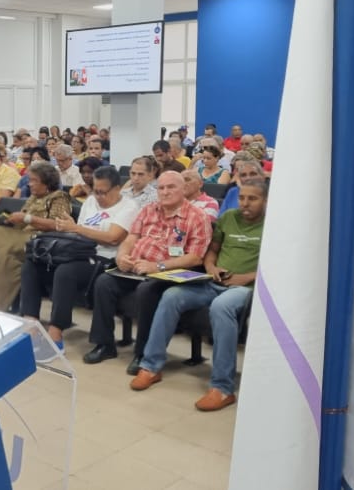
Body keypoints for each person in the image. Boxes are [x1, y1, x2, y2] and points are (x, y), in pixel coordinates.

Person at [130, 180, 267, 412]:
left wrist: (246, 278)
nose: (245, 203)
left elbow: (275, 263)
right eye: (242, 197)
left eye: (252, 199)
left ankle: (222, 387)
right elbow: (211, 250)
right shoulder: (228, 218)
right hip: (213, 281)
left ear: (265, 200)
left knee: (220, 308)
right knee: (172, 295)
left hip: (244, 288)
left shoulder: (271, 225)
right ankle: (151, 366)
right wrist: (212, 268)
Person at [83, 172, 212, 368]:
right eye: (161, 188)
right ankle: (105, 345)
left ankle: (143, 353)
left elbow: (195, 257)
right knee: (104, 282)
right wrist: (122, 256)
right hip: (137, 267)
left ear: (183, 189)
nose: (165, 192)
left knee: (146, 292)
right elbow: (131, 238)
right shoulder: (148, 210)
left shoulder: (197, 217)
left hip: (168, 272)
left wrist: (157, 266)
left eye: (171, 187)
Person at [20, 166, 139, 350]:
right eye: (95, 190)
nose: (98, 196)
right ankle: (31, 324)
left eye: (103, 192)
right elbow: (80, 234)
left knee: (65, 272)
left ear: (116, 188)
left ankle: (56, 330)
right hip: (78, 252)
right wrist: (73, 229)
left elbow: (113, 237)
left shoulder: (129, 207)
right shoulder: (91, 201)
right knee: (32, 264)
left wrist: (75, 228)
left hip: (104, 258)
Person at [0, 162, 72, 309]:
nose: (29, 185)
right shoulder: (33, 197)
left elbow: (59, 225)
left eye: (34, 181)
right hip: (22, 234)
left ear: (47, 182)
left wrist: (27, 219)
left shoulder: (59, 197)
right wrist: (10, 220)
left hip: (41, 240)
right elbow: (23, 221)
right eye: (29, 180)